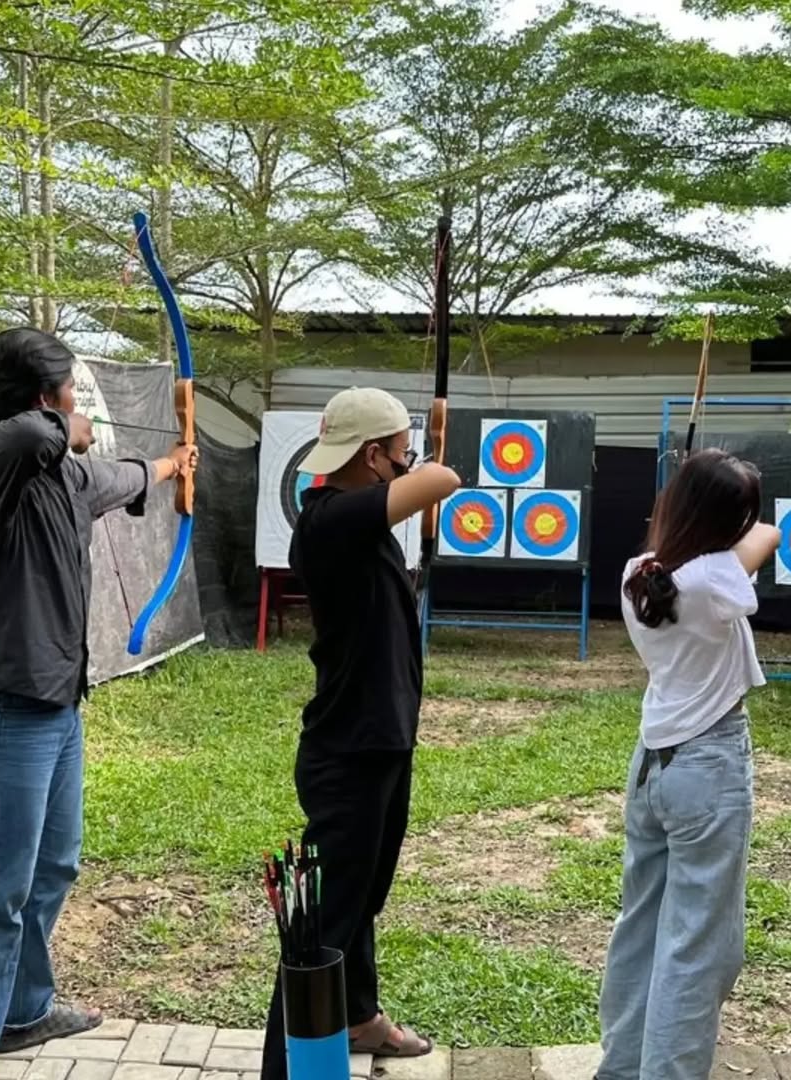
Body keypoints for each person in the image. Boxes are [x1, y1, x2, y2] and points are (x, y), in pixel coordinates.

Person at [0, 327, 199, 1080]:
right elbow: (30, 437)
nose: (78, 404)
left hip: (54, 702)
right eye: (69, 392)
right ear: (37, 399)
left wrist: (175, 463)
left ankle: (24, 1011)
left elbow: (123, 475)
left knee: (53, 864)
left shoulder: (67, 481)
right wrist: (65, 424)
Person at [260, 386, 460, 1080]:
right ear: (373, 455)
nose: (408, 462)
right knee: (324, 926)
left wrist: (414, 451)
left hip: (377, 741)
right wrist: (429, 458)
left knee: (359, 898)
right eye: (399, 452)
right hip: (349, 752)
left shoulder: (353, 520)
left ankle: (360, 1018)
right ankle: (284, 1067)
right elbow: (443, 480)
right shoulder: (330, 519)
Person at [595, 448, 782, 1080]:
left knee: (641, 927)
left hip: (652, 766)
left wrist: (684, 508)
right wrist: (734, 523)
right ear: (727, 523)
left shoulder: (638, 573)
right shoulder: (714, 579)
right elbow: (767, 535)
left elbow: (714, 547)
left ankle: (622, 1069)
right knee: (698, 946)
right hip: (708, 766)